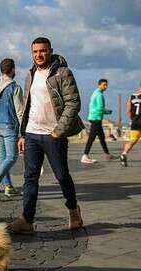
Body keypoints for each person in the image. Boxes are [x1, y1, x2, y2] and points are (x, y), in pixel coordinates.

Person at [8, 37, 85, 234]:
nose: (38, 55)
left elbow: (73, 103)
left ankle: (73, 209)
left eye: (42, 51)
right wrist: (23, 133)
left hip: (54, 135)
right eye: (35, 52)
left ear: (50, 50)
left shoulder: (62, 73)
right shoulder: (30, 74)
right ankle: (27, 219)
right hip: (32, 133)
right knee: (30, 178)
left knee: (61, 176)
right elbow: (27, 106)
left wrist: (59, 131)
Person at [0, 58, 24, 197]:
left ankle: (8, 187)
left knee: (3, 158)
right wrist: (23, 132)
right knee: (12, 157)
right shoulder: (15, 87)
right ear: (12, 69)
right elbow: (20, 112)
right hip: (10, 126)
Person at [81, 79, 115, 163]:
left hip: (95, 117)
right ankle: (85, 156)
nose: (105, 87)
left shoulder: (95, 93)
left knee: (102, 137)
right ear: (99, 85)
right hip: (96, 118)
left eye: (106, 85)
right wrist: (107, 111)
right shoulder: (99, 94)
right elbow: (100, 108)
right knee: (91, 138)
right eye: (104, 85)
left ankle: (108, 155)